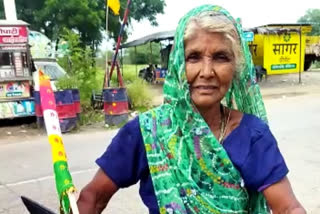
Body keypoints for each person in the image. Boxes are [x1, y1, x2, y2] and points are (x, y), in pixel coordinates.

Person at [77, 5, 305, 214]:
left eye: (220, 57)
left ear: (235, 68)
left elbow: (288, 208)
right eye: (193, 57)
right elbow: (93, 198)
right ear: (177, 64)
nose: (207, 71)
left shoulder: (252, 135)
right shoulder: (147, 132)